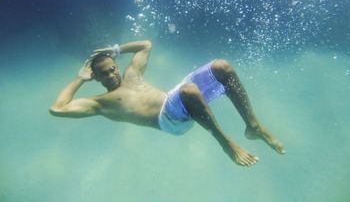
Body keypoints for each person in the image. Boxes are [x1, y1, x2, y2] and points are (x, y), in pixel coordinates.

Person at [50, 40, 285, 167]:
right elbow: (58, 109)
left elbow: (146, 45)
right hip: (169, 121)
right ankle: (227, 144)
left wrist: (116, 49)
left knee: (222, 67)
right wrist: (80, 79)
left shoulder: (132, 74)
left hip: (176, 99)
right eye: (104, 74)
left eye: (112, 68)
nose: (111, 74)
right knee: (188, 89)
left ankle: (253, 126)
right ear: (96, 78)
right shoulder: (101, 103)